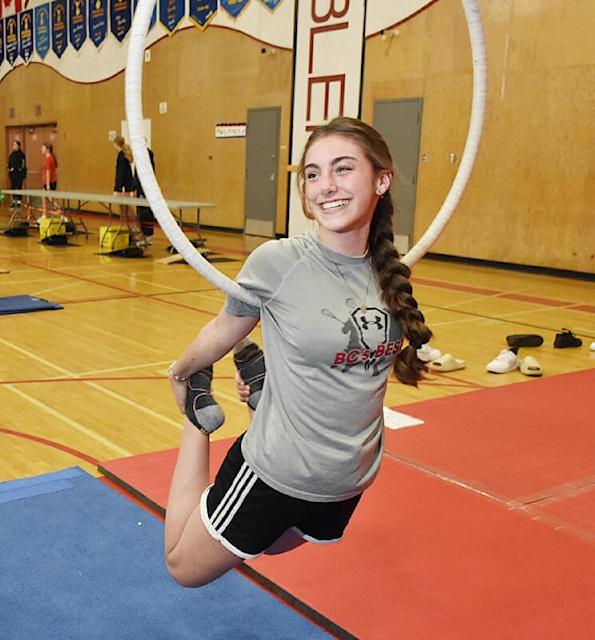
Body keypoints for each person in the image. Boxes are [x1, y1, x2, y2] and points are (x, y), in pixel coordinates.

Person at [162, 117, 432, 588]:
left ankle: (263, 388)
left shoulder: (390, 271)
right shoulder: (278, 263)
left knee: (273, 545)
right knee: (185, 569)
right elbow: (226, 328)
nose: (326, 186)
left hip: (348, 478)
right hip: (276, 469)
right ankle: (195, 423)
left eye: (343, 169)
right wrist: (184, 372)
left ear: (381, 180)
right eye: (312, 174)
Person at [134, 143, 156, 245]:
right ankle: (144, 234)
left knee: (146, 213)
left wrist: (143, 192)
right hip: (140, 189)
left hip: (146, 191)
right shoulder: (139, 156)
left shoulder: (147, 157)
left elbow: (147, 176)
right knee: (140, 213)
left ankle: (148, 235)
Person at [112, 135, 135, 224]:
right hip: (126, 186)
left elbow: (120, 174)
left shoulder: (122, 157)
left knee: (127, 210)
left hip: (123, 187)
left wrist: (117, 188)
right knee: (124, 209)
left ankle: (136, 230)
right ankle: (126, 228)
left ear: (116, 144)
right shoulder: (122, 155)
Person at [7, 140, 26, 208]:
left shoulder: (21, 155)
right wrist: (10, 168)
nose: (13, 146)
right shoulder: (12, 155)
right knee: (13, 187)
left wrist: (16, 168)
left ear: (18, 146)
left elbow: (22, 165)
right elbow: (9, 163)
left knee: (19, 187)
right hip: (12, 175)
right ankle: (14, 201)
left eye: (15, 145)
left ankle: (19, 201)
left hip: (19, 174)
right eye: (13, 145)